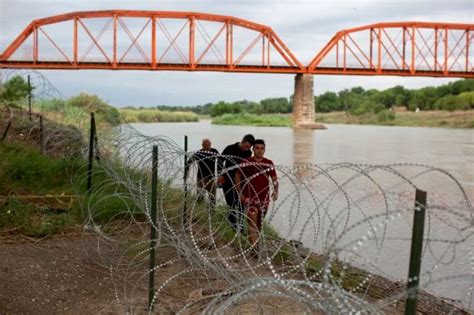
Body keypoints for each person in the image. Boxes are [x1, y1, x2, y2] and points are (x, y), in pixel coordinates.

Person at [235, 139, 278, 252]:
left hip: (264, 198)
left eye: (262, 148)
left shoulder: (268, 163)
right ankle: (254, 249)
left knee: (259, 223)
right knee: (252, 223)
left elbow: (274, 179)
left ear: (264, 150)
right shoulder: (247, 161)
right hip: (249, 198)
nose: (259, 151)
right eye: (257, 148)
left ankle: (254, 244)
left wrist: (276, 190)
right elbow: (237, 176)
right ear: (253, 149)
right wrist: (240, 193)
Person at [219, 134, 255, 231]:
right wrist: (221, 174)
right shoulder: (230, 148)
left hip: (241, 182)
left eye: (249, 147)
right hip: (228, 181)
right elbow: (219, 161)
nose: (247, 149)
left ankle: (241, 225)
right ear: (242, 141)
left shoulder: (248, 153)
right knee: (231, 203)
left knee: (241, 204)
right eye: (246, 146)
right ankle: (234, 227)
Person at [186, 138, 220, 208]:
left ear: (211, 145)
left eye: (209, 145)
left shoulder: (214, 151)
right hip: (200, 179)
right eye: (206, 145)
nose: (208, 147)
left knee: (212, 198)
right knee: (200, 197)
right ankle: (199, 211)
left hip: (211, 179)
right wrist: (186, 173)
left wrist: (220, 174)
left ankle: (212, 213)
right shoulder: (199, 153)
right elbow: (189, 162)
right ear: (202, 145)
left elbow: (220, 161)